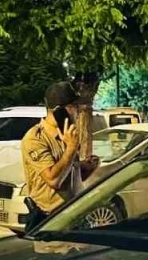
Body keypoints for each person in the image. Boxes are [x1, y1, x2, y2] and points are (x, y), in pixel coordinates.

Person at [20, 82, 98, 231]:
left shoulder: (67, 134)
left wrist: (85, 168)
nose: (77, 112)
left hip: (75, 217)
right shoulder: (35, 138)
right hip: (50, 221)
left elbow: (67, 177)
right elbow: (54, 180)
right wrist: (71, 148)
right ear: (61, 110)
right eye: (74, 107)